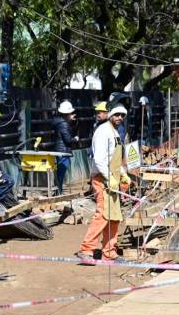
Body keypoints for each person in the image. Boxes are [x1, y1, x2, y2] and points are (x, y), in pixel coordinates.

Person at [76, 105, 131, 262]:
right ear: (110, 115)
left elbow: (113, 158)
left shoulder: (115, 133)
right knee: (103, 214)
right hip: (102, 178)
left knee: (114, 217)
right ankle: (86, 249)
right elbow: (99, 159)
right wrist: (109, 177)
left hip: (111, 179)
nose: (120, 117)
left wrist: (123, 175)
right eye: (117, 114)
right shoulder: (103, 131)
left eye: (122, 115)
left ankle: (109, 252)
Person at [52, 100, 78, 194]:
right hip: (63, 151)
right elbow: (68, 139)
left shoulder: (59, 123)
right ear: (67, 114)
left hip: (60, 150)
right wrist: (75, 139)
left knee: (59, 173)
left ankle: (58, 192)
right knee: (61, 173)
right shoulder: (63, 124)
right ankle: (58, 192)